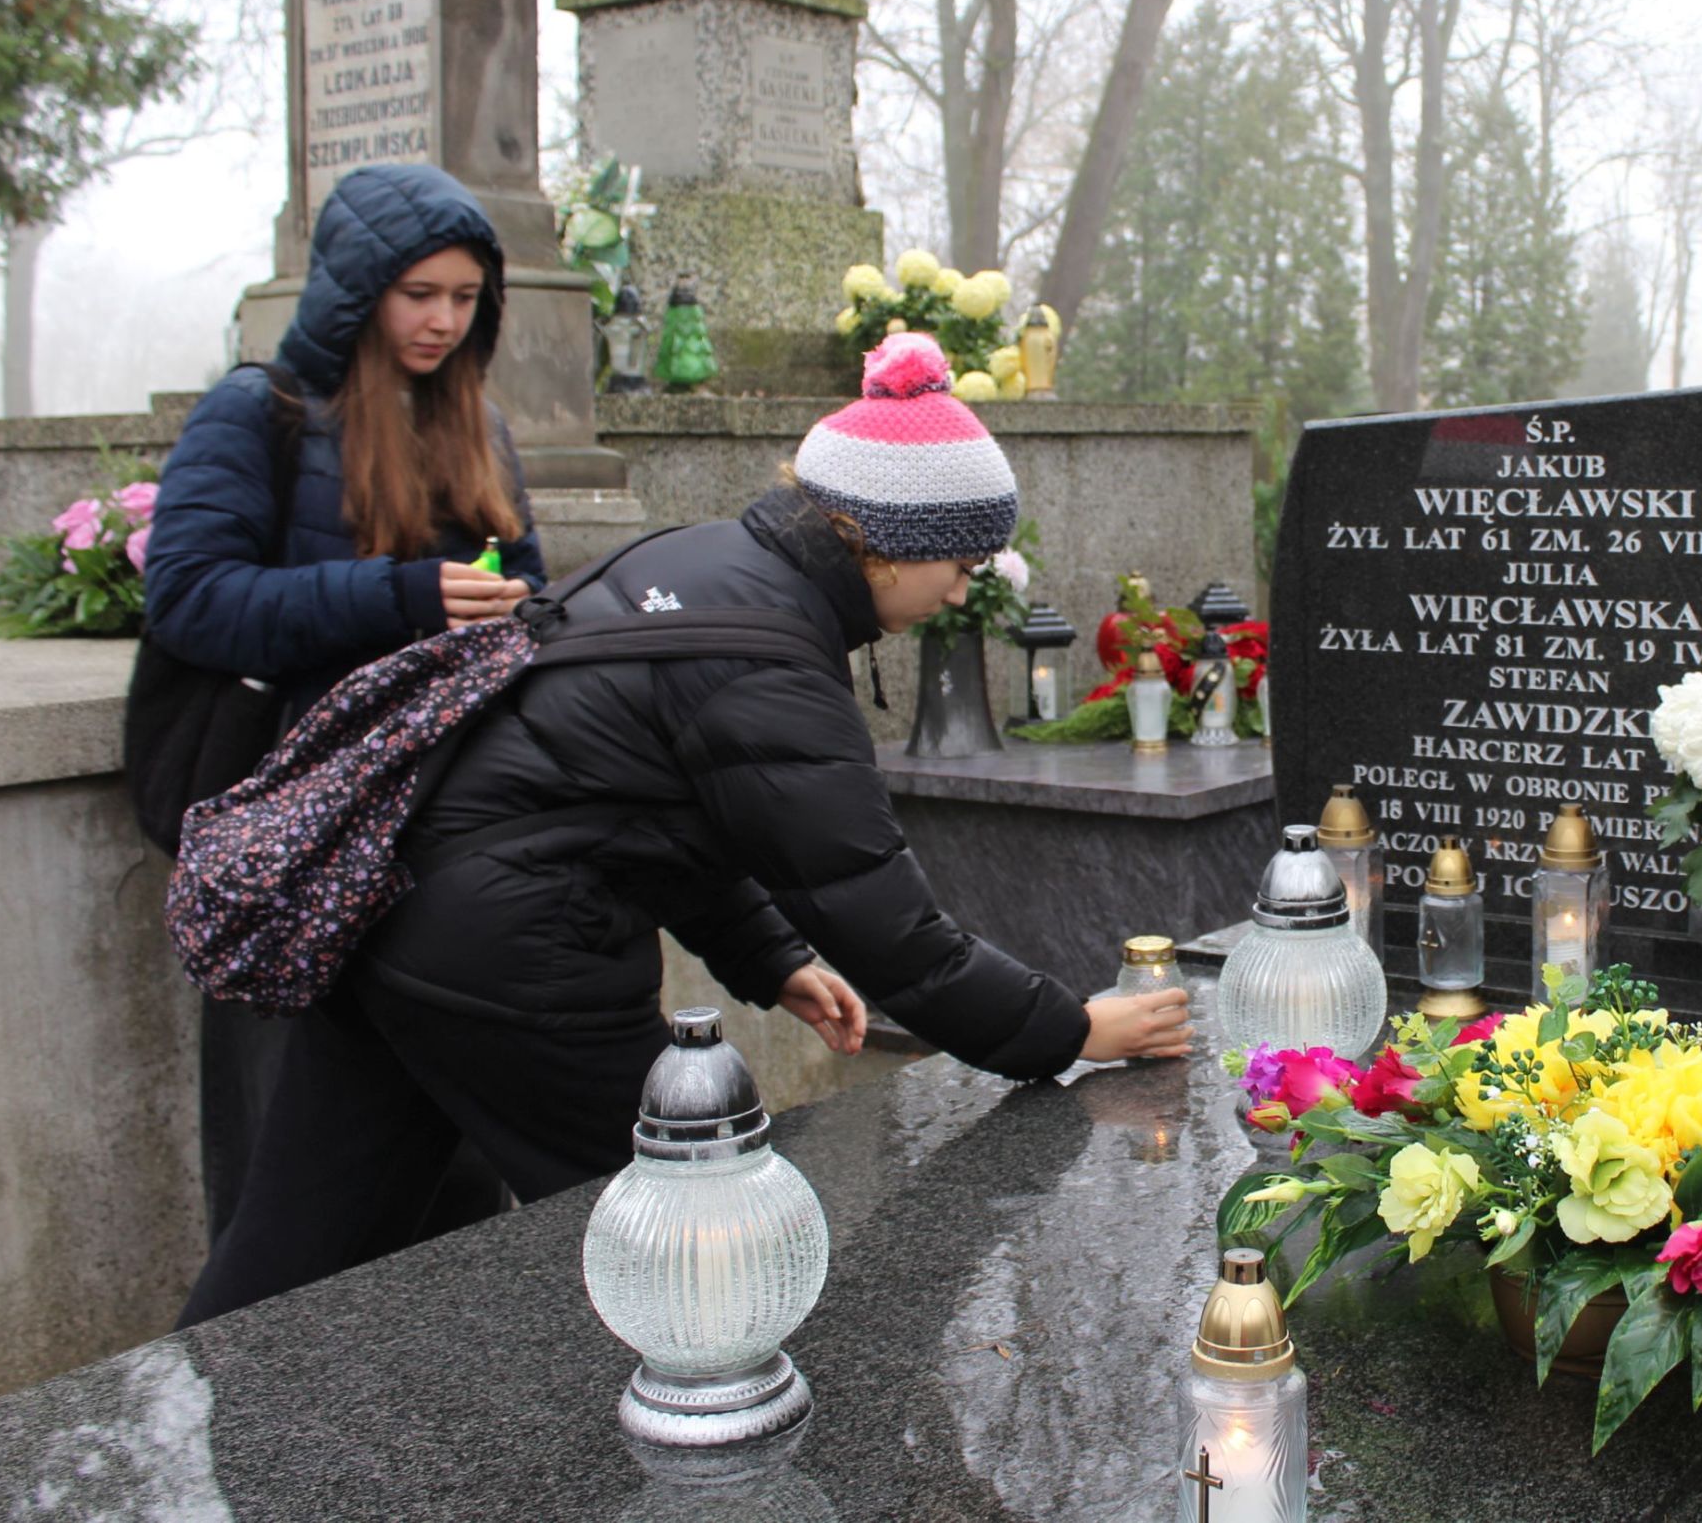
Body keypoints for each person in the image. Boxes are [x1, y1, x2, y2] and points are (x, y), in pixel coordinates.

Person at [177, 331, 1190, 1326]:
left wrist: (768, 956)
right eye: (958, 564)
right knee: (708, 1235)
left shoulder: (706, 559)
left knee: (295, 1242)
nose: (962, 592)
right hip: (514, 951)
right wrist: (1068, 1031)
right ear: (882, 544)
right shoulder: (772, 662)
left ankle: (205, 1411)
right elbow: (887, 924)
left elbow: (648, 807)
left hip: (393, 907)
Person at [143, 163, 546, 1244]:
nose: (442, 321)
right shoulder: (257, 412)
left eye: (465, 298)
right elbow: (188, 600)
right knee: (287, 1170)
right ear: (356, 288)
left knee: (447, 1157)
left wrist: (519, 612)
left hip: (439, 828)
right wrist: (399, 596)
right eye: (419, 294)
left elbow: (527, 584)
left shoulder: (480, 425)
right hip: (296, 843)